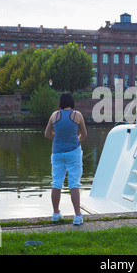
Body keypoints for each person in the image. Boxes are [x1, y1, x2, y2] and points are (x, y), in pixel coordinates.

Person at [45, 92, 87, 224]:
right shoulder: (77, 115)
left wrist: (58, 138)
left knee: (56, 182)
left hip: (57, 153)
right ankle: (77, 216)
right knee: (74, 183)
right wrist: (76, 140)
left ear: (60, 103)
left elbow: (47, 134)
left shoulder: (54, 115)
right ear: (72, 102)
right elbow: (84, 134)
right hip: (73, 152)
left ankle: (56, 213)